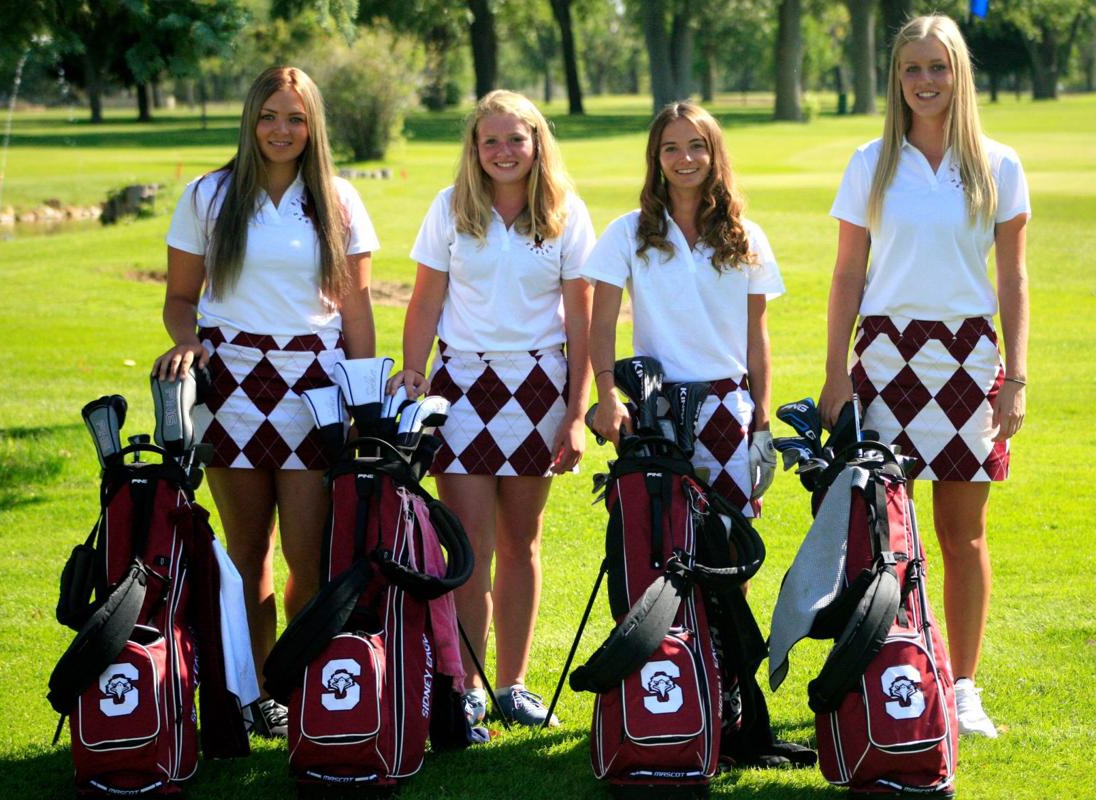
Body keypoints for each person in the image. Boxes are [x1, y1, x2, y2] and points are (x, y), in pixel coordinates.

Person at [819, 14, 1030, 739]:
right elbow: (848, 273)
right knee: (884, 536)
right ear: (897, 78)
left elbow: (1014, 280)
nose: (925, 80)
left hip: (971, 361)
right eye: (912, 68)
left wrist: (1018, 376)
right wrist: (834, 374)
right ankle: (890, 669)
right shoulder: (869, 160)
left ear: (958, 72)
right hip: (883, 359)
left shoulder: (999, 163)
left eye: (938, 66)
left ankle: (964, 686)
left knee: (961, 534)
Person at [152, 66, 379, 738]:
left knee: (309, 559)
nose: (282, 130)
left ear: (314, 127)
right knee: (247, 554)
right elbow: (178, 300)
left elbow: (358, 309)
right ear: (251, 120)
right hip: (232, 388)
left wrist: (365, 398)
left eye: (296, 118)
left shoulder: (339, 200)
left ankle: (302, 685)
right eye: (270, 116)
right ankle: (254, 697)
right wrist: (188, 345)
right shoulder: (207, 195)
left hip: (314, 390)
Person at [583, 102, 806, 768]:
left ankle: (728, 697)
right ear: (655, 156)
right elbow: (600, 323)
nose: (684, 158)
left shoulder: (745, 234)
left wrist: (763, 422)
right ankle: (673, 687)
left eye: (697, 147)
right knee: (663, 558)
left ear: (715, 154)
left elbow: (757, 337)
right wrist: (601, 396)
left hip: (727, 410)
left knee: (728, 562)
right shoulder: (628, 232)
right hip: (654, 415)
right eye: (671, 147)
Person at [392, 90, 594, 728]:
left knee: (522, 542)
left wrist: (576, 411)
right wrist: (415, 371)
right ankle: (468, 684)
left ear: (537, 143)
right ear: (474, 149)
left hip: (539, 384)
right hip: (461, 386)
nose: (504, 151)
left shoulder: (565, 212)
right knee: (469, 545)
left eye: (516, 139)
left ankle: (513, 685)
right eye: (491, 141)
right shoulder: (450, 208)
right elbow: (425, 300)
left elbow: (584, 322)